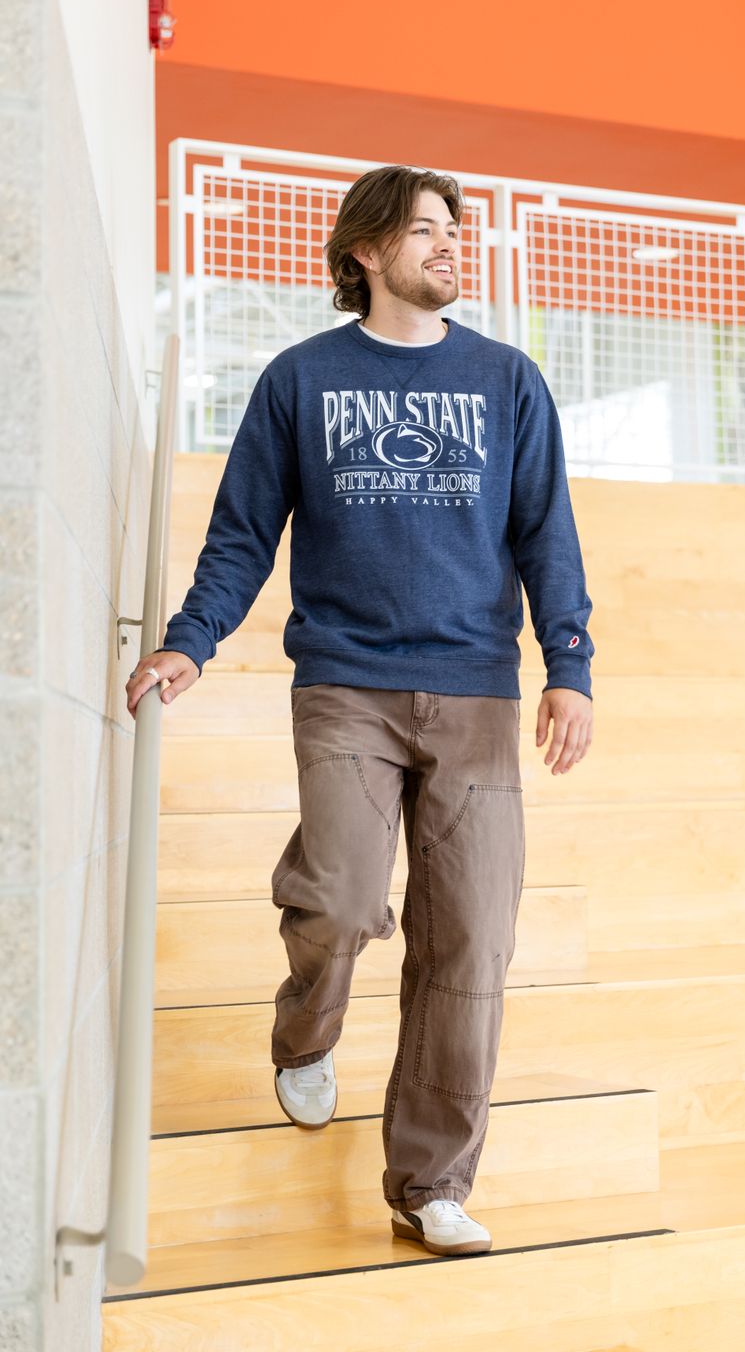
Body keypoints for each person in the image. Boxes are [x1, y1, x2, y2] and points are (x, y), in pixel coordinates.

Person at [125, 164, 595, 1259]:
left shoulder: (507, 380)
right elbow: (244, 532)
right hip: (345, 684)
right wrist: (191, 640)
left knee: (470, 939)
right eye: (424, 229)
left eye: (451, 229)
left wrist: (566, 662)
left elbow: (545, 534)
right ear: (366, 252)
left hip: (475, 691)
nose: (447, 245)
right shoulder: (299, 380)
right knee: (339, 901)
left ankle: (428, 1180)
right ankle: (304, 1039)